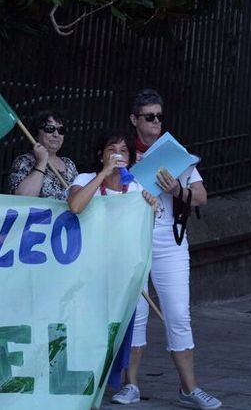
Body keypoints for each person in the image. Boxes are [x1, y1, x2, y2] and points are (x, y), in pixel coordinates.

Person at [117, 88, 220, 409]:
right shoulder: (122, 153)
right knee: (136, 312)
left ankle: (189, 388)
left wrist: (177, 189)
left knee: (178, 312)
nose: (156, 122)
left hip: (168, 242)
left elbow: (201, 195)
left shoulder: (174, 153)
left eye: (160, 116)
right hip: (131, 240)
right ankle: (130, 384)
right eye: (150, 117)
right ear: (135, 120)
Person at [66, 129, 158, 405]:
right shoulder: (85, 179)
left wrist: (151, 205)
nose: (117, 155)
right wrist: (104, 174)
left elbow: (146, 225)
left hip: (127, 267)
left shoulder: (138, 187)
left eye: (123, 151)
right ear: (101, 154)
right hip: (91, 267)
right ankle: (89, 378)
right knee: (91, 322)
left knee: (134, 320)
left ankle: (131, 384)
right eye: (111, 149)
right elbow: (75, 206)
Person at [8, 110, 78, 199]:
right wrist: (41, 162)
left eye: (61, 130)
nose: (56, 135)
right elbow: (23, 199)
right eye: (50, 129)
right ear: (36, 134)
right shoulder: (23, 161)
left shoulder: (69, 164)